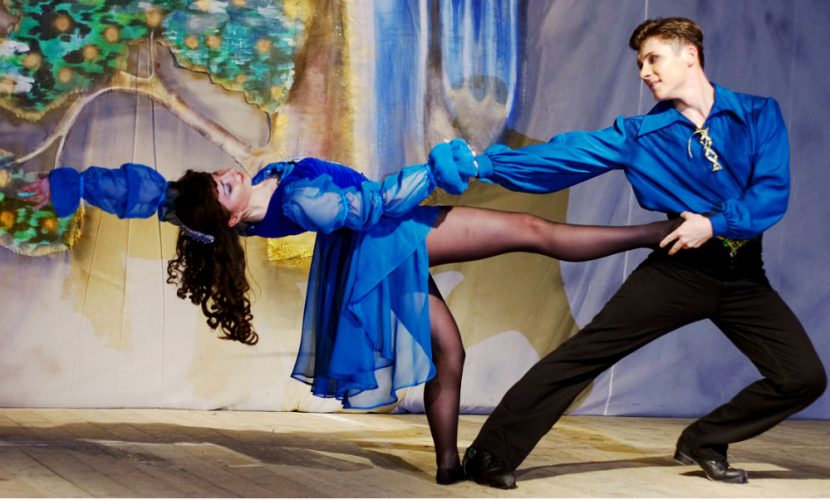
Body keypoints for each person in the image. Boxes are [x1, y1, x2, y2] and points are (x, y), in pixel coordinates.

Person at [22, 149, 676, 484]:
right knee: (532, 231)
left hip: (366, 254)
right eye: (222, 186)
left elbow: (144, 191)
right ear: (228, 216)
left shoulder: (219, 206)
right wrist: (438, 168)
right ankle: (656, 233)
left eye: (218, 176)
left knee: (450, 353)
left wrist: (70, 184)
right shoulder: (300, 201)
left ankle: (448, 467)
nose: (225, 173)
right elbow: (371, 206)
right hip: (391, 237)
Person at [430, 17, 827, 488]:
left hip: (743, 275)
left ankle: (705, 440)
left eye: (653, 59)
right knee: (584, 356)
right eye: (640, 64)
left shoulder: (758, 114)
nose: (644, 72)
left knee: (802, 377)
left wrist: (714, 223)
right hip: (680, 269)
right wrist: (481, 164)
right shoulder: (639, 136)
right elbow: (564, 155)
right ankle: (490, 453)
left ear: (690, 55)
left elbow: (771, 193)